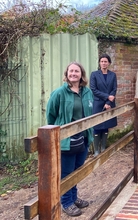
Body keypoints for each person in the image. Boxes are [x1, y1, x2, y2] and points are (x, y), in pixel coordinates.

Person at [46, 62, 93, 217]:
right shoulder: (59, 93)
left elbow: (90, 114)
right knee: (66, 173)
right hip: (66, 140)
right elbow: (51, 115)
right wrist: (59, 135)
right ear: (66, 74)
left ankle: (73, 198)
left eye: (76, 71)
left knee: (77, 170)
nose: (73, 73)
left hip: (83, 137)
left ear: (81, 74)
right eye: (71, 71)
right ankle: (66, 202)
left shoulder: (87, 92)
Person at [90, 54, 117, 156]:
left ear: (109, 63)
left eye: (105, 61)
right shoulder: (94, 74)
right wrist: (107, 97)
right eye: (102, 61)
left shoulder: (113, 75)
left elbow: (114, 89)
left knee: (106, 125)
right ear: (99, 63)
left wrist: (109, 102)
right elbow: (93, 89)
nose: (104, 63)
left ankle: (103, 148)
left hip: (109, 103)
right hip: (98, 103)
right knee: (97, 125)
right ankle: (96, 150)